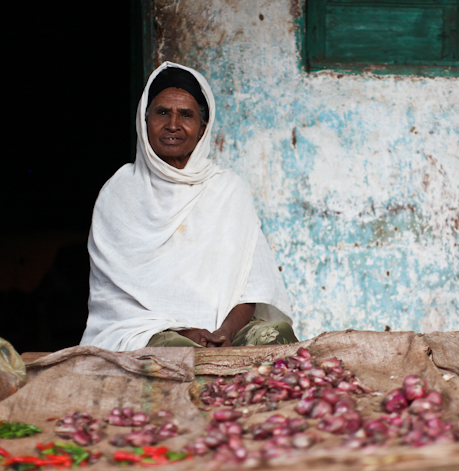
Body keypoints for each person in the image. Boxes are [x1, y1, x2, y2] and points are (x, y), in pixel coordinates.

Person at [80, 62, 297, 351]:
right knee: (173, 348)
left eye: (186, 115)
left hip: (225, 331)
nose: (172, 125)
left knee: (276, 336)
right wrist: (187, 331)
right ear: (144, 121)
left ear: (202, 128)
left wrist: (226, 333)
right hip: (147, 331)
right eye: (161, 113)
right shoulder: (120, 193)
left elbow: (252, 285)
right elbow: (116, 297)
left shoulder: (228, 189)